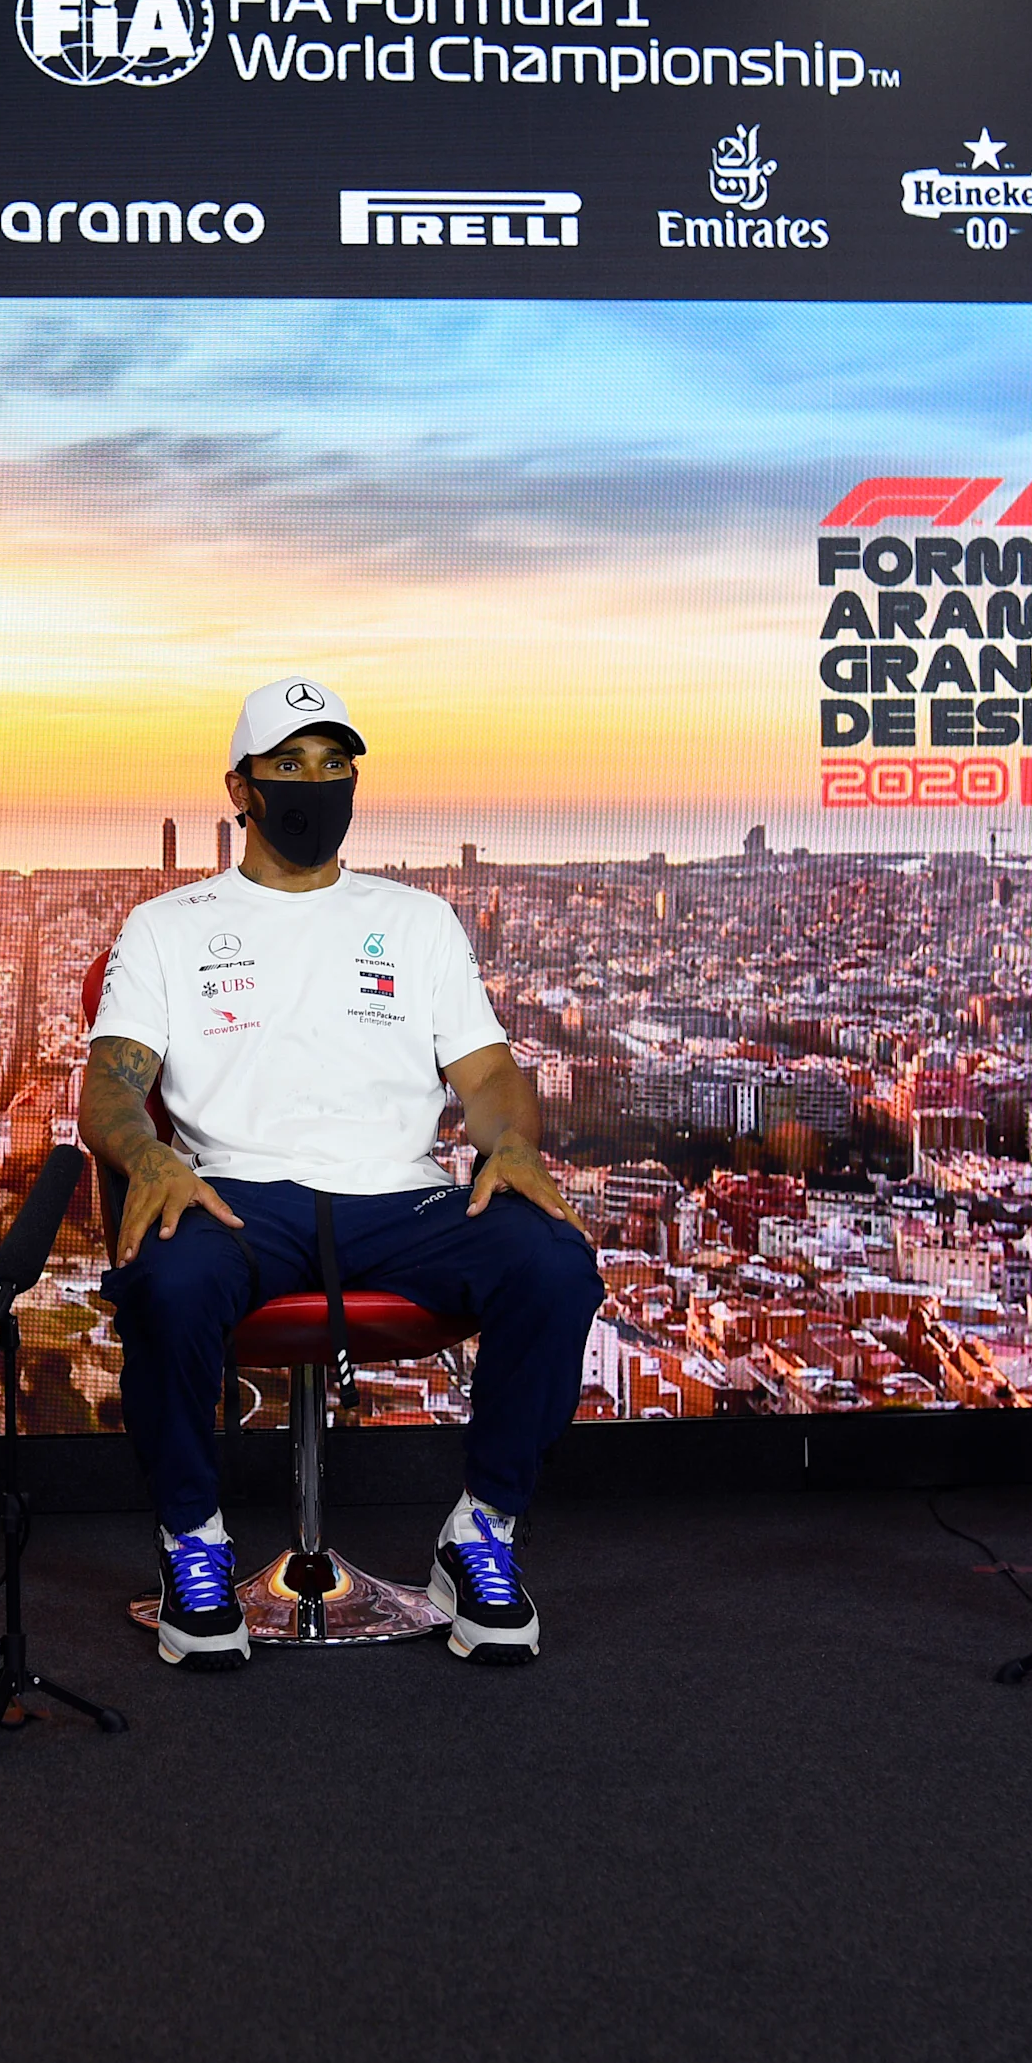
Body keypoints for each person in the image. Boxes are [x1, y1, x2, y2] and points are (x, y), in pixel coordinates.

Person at [83, 677, 606, 1668]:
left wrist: (509, 1144)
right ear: (238, 786)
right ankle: (190, 1541)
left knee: (552, 1263)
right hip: (237, 1191)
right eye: (289, 766)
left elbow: (487, 1069)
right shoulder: (166, 925)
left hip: (402, 1194)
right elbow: (111, 1083)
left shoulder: (415, 919)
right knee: (166, 1276)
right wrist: (146, 1152)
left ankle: (480, 1530)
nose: (315, 786)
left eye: (335, 766)